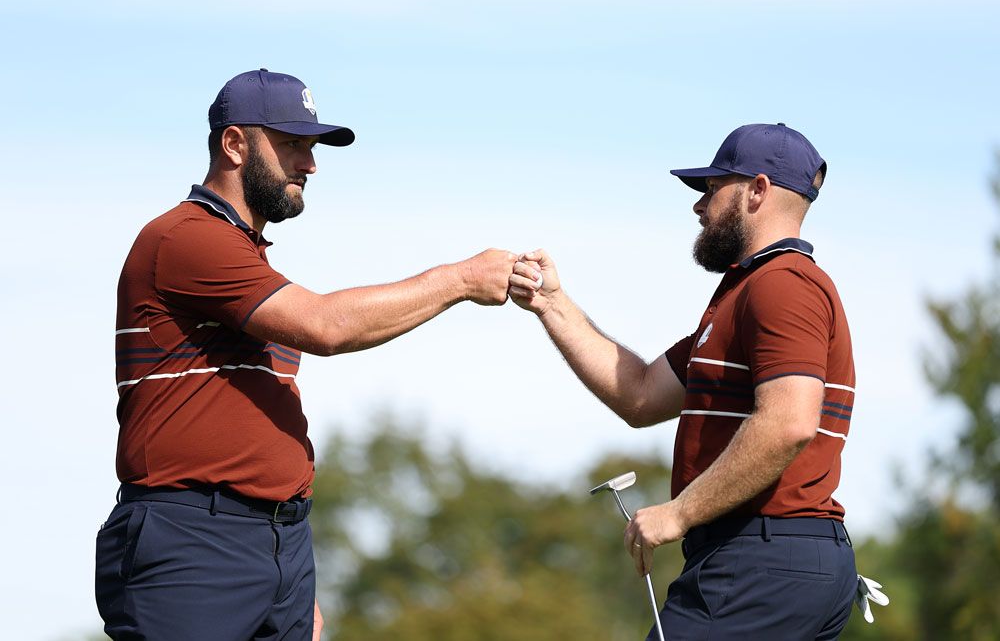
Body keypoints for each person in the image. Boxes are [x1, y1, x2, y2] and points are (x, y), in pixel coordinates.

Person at [95, 68, 517, 641]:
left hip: (276, 544)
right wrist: (461, 279)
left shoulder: (246, 255)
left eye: (312, 147)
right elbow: (326, 326)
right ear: (235, 143)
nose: (310, 164)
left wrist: (285, 570)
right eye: (292, 144)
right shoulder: (187, 237)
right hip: (193, 540)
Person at [509, 123, 860, 638]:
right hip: (783, 559)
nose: (699, 205)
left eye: (713, 188)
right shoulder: (746, 293)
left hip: (761, 559)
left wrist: (680, 512)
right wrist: (551, 304)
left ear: (758, 190)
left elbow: (790, 421)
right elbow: (640, 394)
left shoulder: (782, 285)